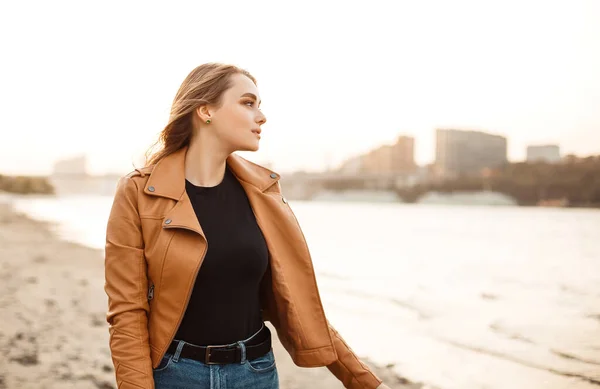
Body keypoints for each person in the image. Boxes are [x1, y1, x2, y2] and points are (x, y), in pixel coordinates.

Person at [104, 63, 391, 389]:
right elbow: (127, 312)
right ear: (205, 110)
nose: (262, 116)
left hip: (255, 375)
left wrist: (364, 382)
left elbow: (298, 302)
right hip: (175, 375)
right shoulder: (139, 192)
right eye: (248, 102)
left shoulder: (263, 192)